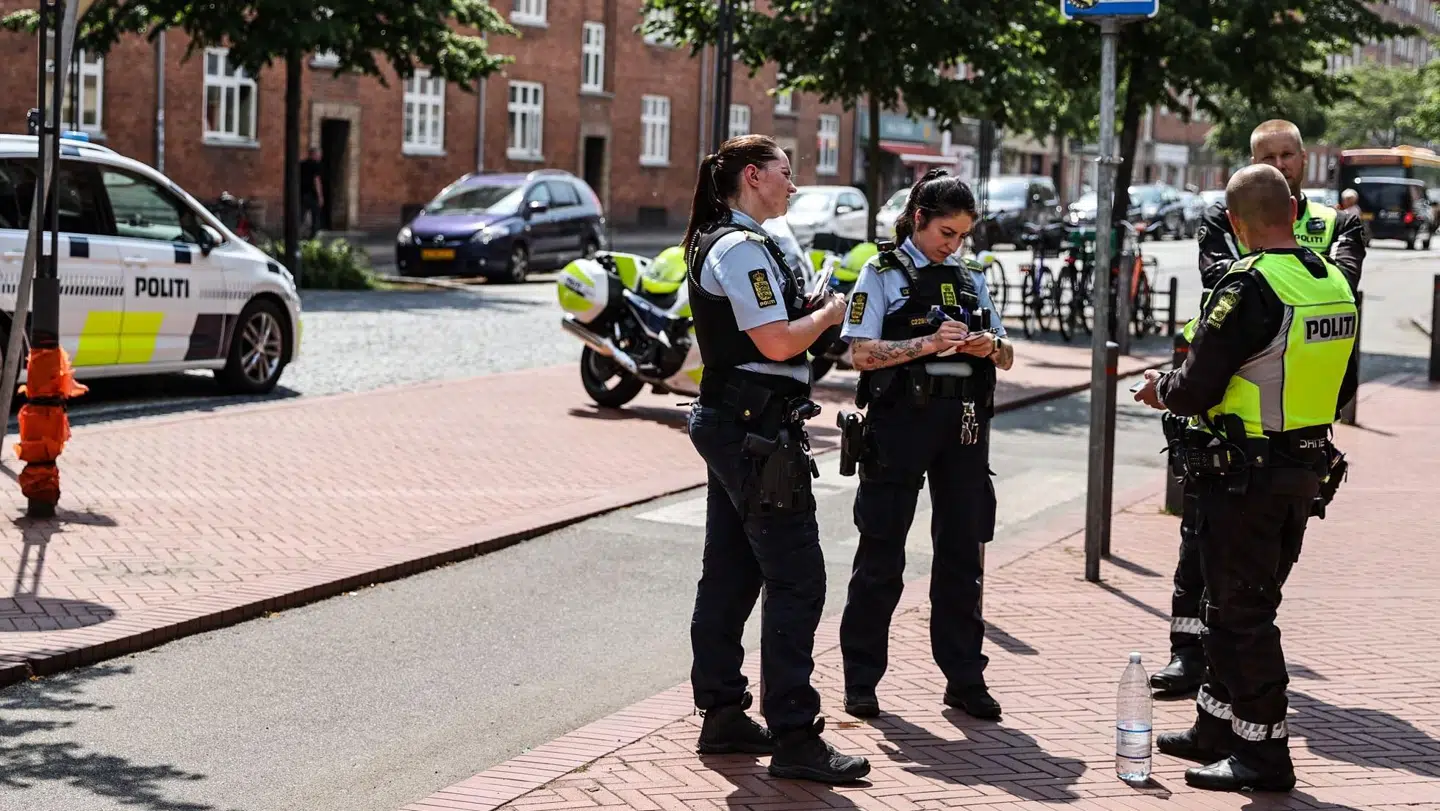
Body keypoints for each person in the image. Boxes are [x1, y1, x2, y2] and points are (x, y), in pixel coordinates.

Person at [1134, 164, 1357, 793]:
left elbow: (1197, 385)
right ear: (1293, 211)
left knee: (1242, 614)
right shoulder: (1332, 281)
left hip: (1244, 475)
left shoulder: (1248, 285)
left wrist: (1160, 388)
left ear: (1235, 223)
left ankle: (1263, 754)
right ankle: (1215, 727)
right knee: (1231, 603)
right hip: (1301, 469)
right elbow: (1343, 385)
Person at [682, 134, 870, 785]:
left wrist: (808, 314)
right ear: (753, 176)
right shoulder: (739, 247)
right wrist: (830, 312)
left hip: (743, 421)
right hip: (754, 428)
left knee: (732, 571)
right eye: (785, 173)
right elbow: (777, 342)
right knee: (797, 576)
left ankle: (723, 714)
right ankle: (794, 733)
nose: (793, 185)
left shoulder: (745, 241)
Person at [835, 169, 1014, 721]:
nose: (953, 245)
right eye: (945, 232)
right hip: (900, 424)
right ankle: (861, 679)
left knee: (962, 556)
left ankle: (965, 678)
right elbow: (860, 354)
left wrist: (989, 347)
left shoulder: (971, 277)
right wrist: (928, 343)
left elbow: (1008, 354)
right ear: (919, 219)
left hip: (963, 426)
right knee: (881, 553)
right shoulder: (881, 272)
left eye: (962, 235)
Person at [300, 147, 325, 237]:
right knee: (315, 216)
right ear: (313, 154)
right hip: (312, 194)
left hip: (301, 194)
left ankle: (295, 234)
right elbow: (316, 180)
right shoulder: (316, 165)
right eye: (319, 155)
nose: (320, 157)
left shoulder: (301, 164)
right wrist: (320, 196)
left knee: (300, 216)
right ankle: (313, 236)